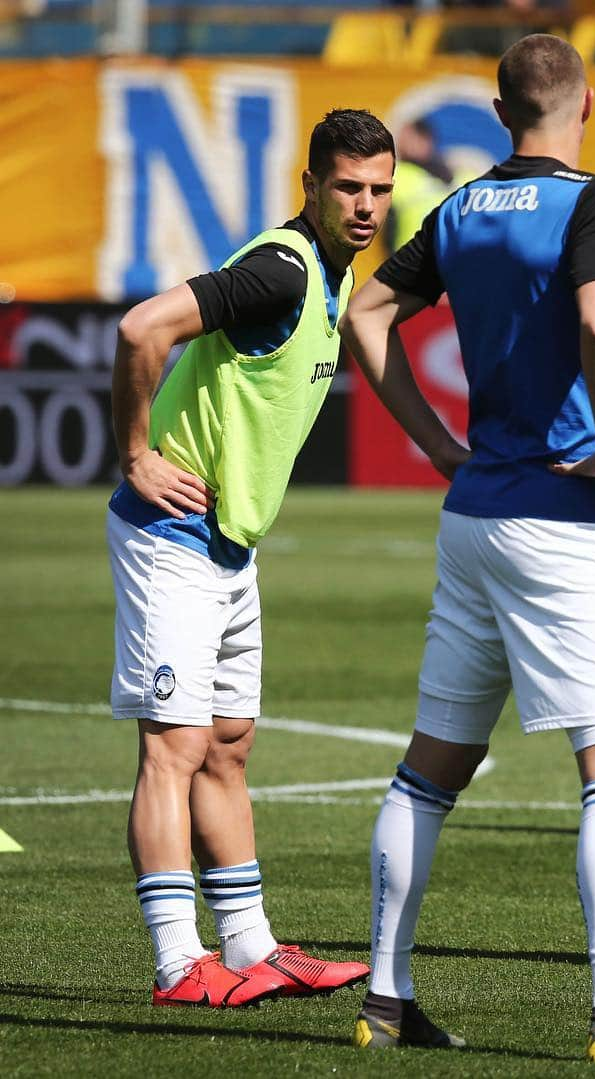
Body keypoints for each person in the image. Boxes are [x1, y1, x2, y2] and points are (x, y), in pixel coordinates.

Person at [340, 33, 595, 1066]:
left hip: (474, 517)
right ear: (588, 102)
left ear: (497, 107)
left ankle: (385, 996)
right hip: (563, 522)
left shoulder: (461, 204)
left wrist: (433, 442)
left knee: (432, 765)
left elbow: (367, 309)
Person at [108, 109, 395, 1007]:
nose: (366, 205)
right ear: (309, 186)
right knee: (176, 748)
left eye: (379, 189)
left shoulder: (335, 275)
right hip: (174, 536)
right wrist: (135, 454)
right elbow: (141, 329)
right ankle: (176, 962)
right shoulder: (279, 269)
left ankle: (252, 945)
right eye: (348, 187)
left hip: (230, 544)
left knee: (228, 747)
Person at [386, 117, 467, 253]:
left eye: (407, 138)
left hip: (407, 263)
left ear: (426, 140)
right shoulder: (461, 178)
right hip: (445, 262)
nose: (400, 144)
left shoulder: (398, 174)